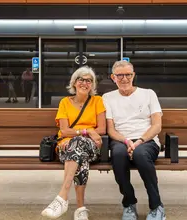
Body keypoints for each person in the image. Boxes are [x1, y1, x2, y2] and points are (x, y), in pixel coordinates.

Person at [102, 60, 166, 220]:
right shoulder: (107, 97)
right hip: (121, 140)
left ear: (134, 75)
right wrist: (126, 141)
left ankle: (157, 206)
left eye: (128, 75)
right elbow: (110, 129)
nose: (124, 79)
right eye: (120, 75)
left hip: (147, 140)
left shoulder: (149, 94)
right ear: (113, 77)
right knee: (117, 155)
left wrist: (139, 142)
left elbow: (157, 125)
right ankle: (129, 203)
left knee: (140, 155)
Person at [41, 66, 106, 220]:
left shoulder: (97, 101)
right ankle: (80, 209)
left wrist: (82, 133)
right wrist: (88, 130)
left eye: (89, 80)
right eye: (81, 79)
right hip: (67, 146)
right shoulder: (65, 102)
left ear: (93, 85)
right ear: (74, 83)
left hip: (91, 147)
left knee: (77, 144)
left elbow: (102, 128)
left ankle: (62, 196)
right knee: (79, 154)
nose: (85, 83)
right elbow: (63, 131)